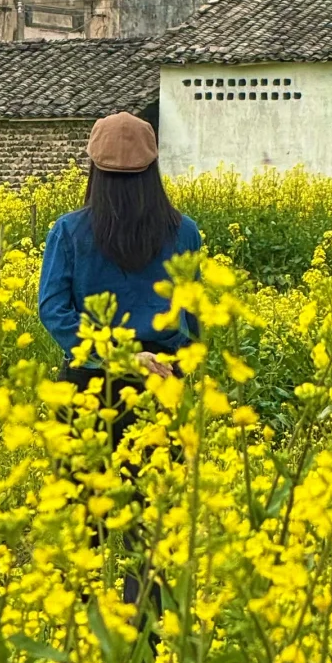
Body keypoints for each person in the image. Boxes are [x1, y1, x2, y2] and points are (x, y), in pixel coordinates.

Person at [38, 110, 201, 624]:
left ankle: (78, 640)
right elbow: (193, 318)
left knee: (83, 518)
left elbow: (54, 309)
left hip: (87, 385)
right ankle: (147, 640)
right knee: (149, 519)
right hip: (163, 383)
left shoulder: (69, 231)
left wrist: (112, 352)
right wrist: (154, 357)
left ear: (94, 169)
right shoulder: (184, 232)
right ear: (153, 169)